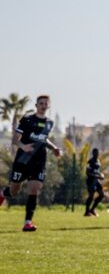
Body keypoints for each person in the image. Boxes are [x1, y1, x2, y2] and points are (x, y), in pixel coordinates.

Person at [0, 95, 62, 231]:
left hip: (39, 160)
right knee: (14, 191)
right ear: (36, 105)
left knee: (34, 189)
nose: (43, 105)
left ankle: (27, 222)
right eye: (41, 103)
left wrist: (54, 148)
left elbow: (44, 139)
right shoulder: (27, 120)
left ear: (48, 106)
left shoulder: (49, 123)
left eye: (46, 103)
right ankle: (3, 194)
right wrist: (24, 147)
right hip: (23, 159)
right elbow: (15, 139)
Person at [84, 148, 105, 216]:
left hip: (96, 181)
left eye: (97, 153)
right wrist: (97, 176)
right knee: (91, 196)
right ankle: (86, 212)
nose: (97, 154)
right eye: (95, 153)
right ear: (93, 153)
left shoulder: (98, 161)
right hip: (91, 181)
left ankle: (92, 209)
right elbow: (88, 173)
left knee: (101, 195)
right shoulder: (90, 161)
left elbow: (97, 171)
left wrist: (101, 175)